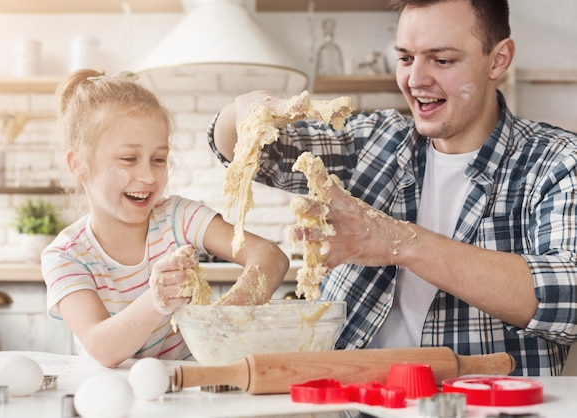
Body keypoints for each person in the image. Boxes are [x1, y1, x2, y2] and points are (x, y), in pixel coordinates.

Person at [207, 0, 577, 376]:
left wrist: (398, 241)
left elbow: (569, 297)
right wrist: (243, 109)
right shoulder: (373, 141)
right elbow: (242, 148)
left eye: (442, 60)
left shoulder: (556, 162)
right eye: (405, 58)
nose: (416, 79)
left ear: (498, 60)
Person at [42, 69, 289, 368]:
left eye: (158, 159)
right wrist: (156, 298)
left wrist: (226, 315)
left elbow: (271, 256)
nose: (148, 176)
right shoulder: (66, 256)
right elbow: (101, 346)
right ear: (79, 164)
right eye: (129, 159)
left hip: (189, 395)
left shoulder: (178, 218)